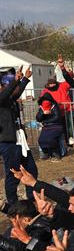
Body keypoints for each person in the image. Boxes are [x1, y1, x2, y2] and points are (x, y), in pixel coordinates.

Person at [0, 66, 37, 209]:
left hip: (19, 140)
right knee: (13, 174)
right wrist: (15, 81)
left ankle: (31, 200)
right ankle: (13, 204)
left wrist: (25, 79)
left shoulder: (9, 99)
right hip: (8, 142)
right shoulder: (1, 98)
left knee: (31, 169)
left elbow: (15, 93)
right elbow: (7, 94)